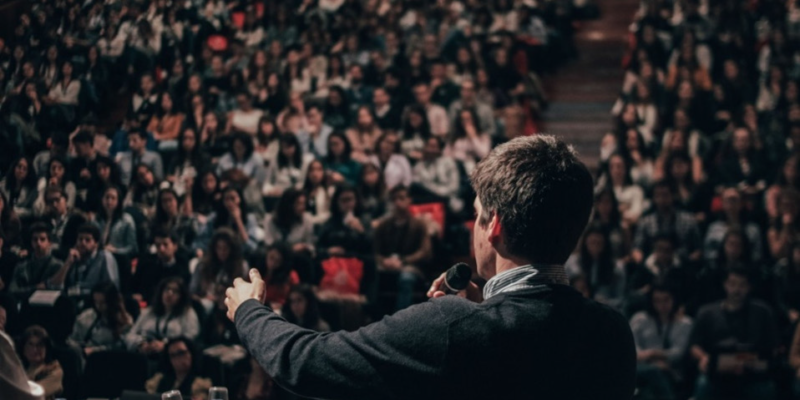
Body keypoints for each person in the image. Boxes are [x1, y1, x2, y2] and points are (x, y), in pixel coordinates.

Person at [225, 136, 636, 400]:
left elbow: (306, 363)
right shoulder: (612, 332)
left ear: (494, 225)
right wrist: (483, 309)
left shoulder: (453, 327)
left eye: (476, 215)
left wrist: (249, 311)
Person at [690, 267, 779, 400]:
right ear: (725, 285)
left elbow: (774, 344)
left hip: (753, 368)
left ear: (749, 287)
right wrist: (703, 357)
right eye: (732, 284)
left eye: (742, 285)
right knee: (704, 385)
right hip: (718, 369)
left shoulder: (762, 311)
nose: (737, 290)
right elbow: (694, 344)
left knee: (766, 388)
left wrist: (756, 360)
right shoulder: (707, 312)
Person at [630, 286, 693, 400]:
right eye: (657, 301)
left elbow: (678, 353)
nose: (661, 305)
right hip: (640, 367)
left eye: (666, 300)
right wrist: (650, 357)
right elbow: (632, 347)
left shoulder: (684, 323)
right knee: (652, 372)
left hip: (671, 370)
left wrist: (654, 354)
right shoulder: (640, 319)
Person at [126, 277, 200, 354]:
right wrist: (141, 344)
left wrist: (166, 345)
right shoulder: (149, 311)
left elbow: (191, 337)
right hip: (145, 354)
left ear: (182, 296)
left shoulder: (187, 313)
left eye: (175, 291)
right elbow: (131, 334)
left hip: (172, 356)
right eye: (167, 289)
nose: (170, 294)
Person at [48, 223, 120, 295]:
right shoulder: (73, 257)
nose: (83, 243)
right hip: (74, 300)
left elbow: (111, 288)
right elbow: (55, 286)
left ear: (96, 244)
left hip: (96, 302)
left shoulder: (105, 257)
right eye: (80, 239)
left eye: (87, 240)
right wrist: (68, 263)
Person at [68, 282, 133, 356]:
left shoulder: (124, 321)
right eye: (96, 302)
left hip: (103, 358)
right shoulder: (88, 314)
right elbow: (74, 336)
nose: (98, 306)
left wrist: (95, 350)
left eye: (103, 303)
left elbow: (120, 346)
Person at [134, 230, 191, 304]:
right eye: (158, 245)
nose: (161, 249)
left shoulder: (182, 266)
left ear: (175, 246)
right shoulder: (147, 264)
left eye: (165, 245)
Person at [145, 337, 212, 399]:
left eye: (181, 353)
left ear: (191, 353)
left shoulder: (200, 384)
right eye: (173, 355)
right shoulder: (159, 380)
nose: (177, 359)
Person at [9, 223, 62, 296]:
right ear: (31, 242)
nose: (38, 243)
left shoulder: (57, 266)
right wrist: (35, 288)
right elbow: (13, 290)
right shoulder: (22, 266)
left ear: (49, 243)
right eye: (35, 239)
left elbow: (57, 290)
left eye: (42, 239)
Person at [18, 325, 63, 400]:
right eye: (30, 344)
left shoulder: (54, 370)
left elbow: (35, 393)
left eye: (40, 345)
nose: (35, 349)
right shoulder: (17, 368)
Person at [93, 186, 138, 258]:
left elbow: (133, 249)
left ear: (118, 201)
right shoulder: (97, 220)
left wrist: (116, 250)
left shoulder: (127, 220)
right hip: (99, 256)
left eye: (113, 198)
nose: (109, 201)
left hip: (118, 258)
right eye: (107, 197)